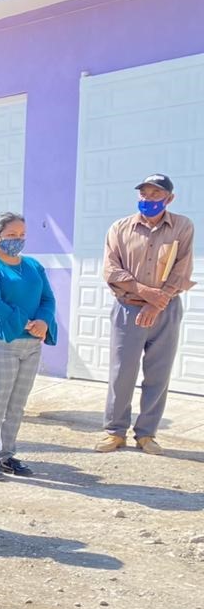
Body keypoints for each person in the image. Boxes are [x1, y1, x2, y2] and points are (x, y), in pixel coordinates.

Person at [96, 174, 195, 455]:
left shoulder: (182, 227)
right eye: (145, 194)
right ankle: (115, 432)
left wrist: (156, 303)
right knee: (121, 373)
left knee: (158, 373)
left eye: (155, 194)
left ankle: (147, 433)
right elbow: (111, 270)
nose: (149, 199)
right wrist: (144, 292)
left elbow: (181, 269)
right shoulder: (120, 228)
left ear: (169, 198)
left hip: (166, 308)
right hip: (128, 307)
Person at [0, 212, 56, 481]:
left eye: (22, 235)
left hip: (30, 345)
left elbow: (48, 298)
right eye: (11, 235)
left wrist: (43, 321)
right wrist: (27, 322)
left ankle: (8, 455)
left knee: (17, 404)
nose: (18, 240)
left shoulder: (33, 266)